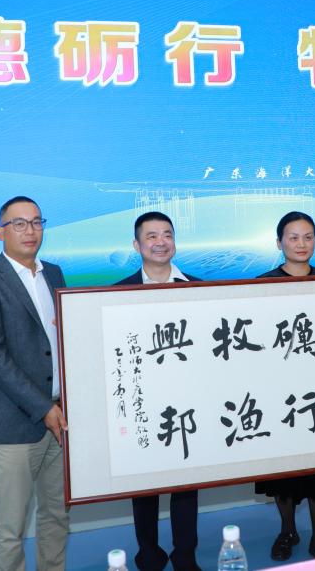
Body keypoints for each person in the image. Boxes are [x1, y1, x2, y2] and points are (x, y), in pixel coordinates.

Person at [0, 196, 69, 571]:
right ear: (0, 232)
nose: (30, 231)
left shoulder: (54, 274)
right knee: (11, 528)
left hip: (61, 417)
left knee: (57, 515)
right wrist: (44, 408)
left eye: (37, 222)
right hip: (15, 425)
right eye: (19, 224)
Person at [255, 211, 315, 561]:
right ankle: (287, 532)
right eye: (293, 237)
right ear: (279, 242)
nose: (301, 244)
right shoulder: (261, 284)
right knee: (284, 476)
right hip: (280, 395)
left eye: (308, 237)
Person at [115, 211, 203, 571]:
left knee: (186, 484)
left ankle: (186, 555)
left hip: (188, 400)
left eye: (167, 234)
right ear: (137, 245)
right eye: (151, 236)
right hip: (142, 403)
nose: (161, 242)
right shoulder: (116, 293)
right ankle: (148, 554)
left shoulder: (200, 288)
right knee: (144, 487)